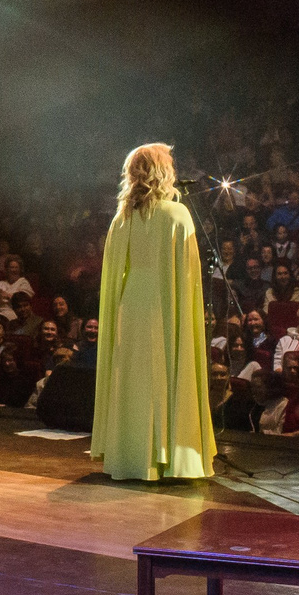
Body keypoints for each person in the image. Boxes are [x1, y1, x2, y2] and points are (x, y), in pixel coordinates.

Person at [91, 142, 217, 482]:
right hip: (164, 301)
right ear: (163, 172)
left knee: (132, 377)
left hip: (131, 304)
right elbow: (188, 275)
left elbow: (116, 271)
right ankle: (165, 456)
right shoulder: (177, 214)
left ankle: (130, 455)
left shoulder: (123, 218)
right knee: (164, 370)